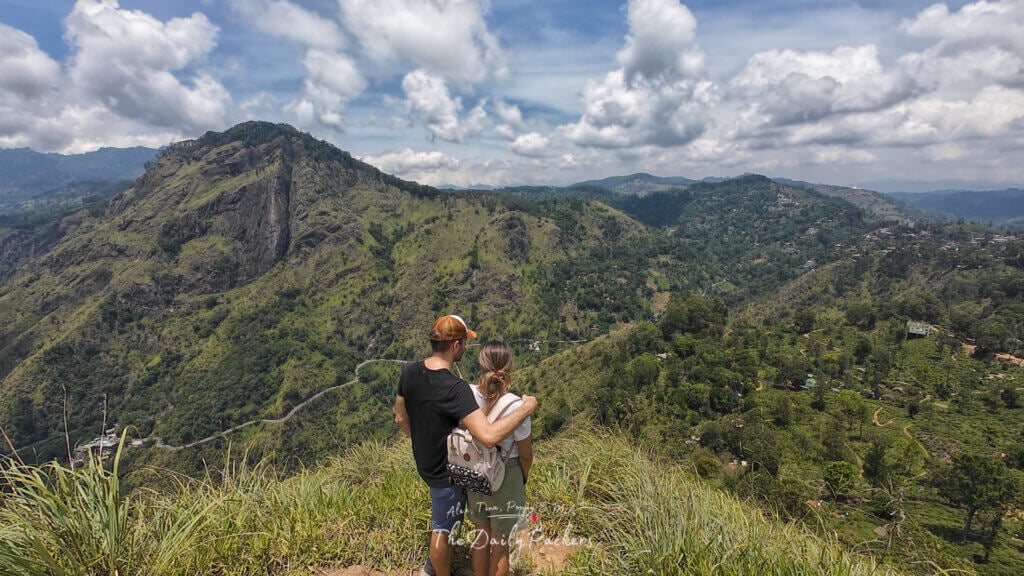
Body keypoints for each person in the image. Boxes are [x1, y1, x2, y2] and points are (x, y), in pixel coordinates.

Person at [395, 314, 537, 576]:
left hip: (435, 465)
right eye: (464, 342)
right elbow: (492, 437)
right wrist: (527, 408)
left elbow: (400, 417)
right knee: (458, 532)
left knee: (478, 534)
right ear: (456, 346)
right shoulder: (457, 389)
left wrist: (423, 441)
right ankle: (435, 572)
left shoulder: (412, 371)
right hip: (463, 472)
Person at [466, 341, 532, 576]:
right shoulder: (517, 405)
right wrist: (522, 477)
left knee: (481, 537)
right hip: (506, 472)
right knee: (500, 543)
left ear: (481, 364)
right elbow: (525, 453)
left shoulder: (469, 395)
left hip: (475, 471)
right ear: (509, 366)